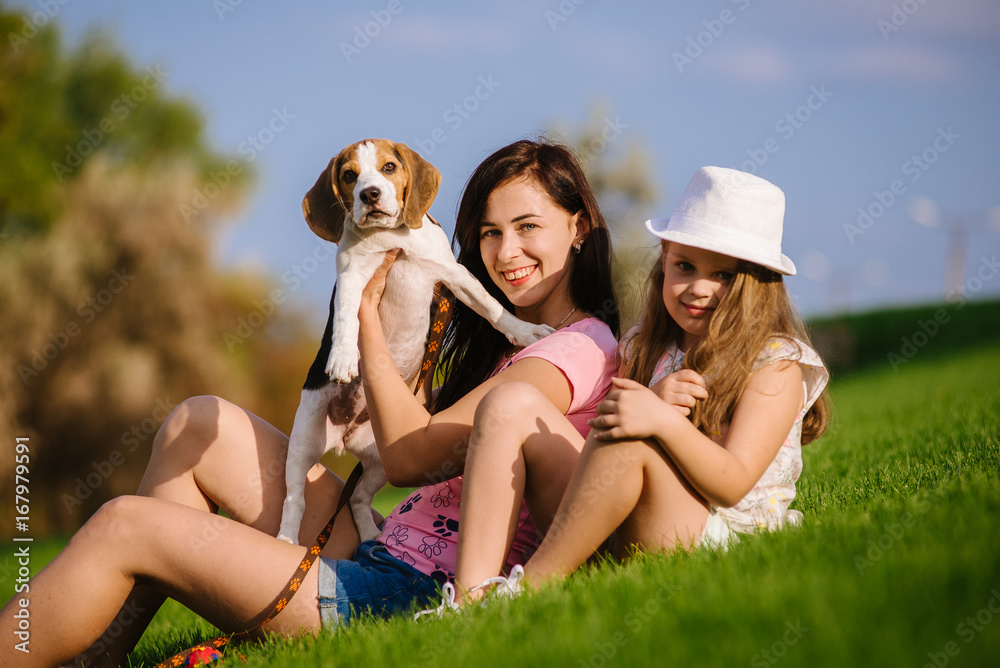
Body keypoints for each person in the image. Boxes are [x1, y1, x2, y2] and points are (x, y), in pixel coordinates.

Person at [0, 139, 619, 668]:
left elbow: (405, 458)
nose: (506, 251)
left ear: (579, 228)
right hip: (385, 548)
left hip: (407, 594)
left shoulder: (575, 349)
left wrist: (365, 321)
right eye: (489, 233)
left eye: (528, 226)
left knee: (124, 523)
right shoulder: (504, 343)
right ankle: (97, 649)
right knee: (196, 422)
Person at [445, 166, 831, 602]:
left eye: (723, 275)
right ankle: (468, 598)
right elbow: (601, 456)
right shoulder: (646, 346)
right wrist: (652, 405)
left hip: (719, 534)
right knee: (510, 402)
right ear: (663, 260)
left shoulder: (774, 362)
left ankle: (527, 591)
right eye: (684, 266)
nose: (697, 287)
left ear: (759, 284)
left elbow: (733, 482)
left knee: (636, 437)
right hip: (620, 527)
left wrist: (662, 422)